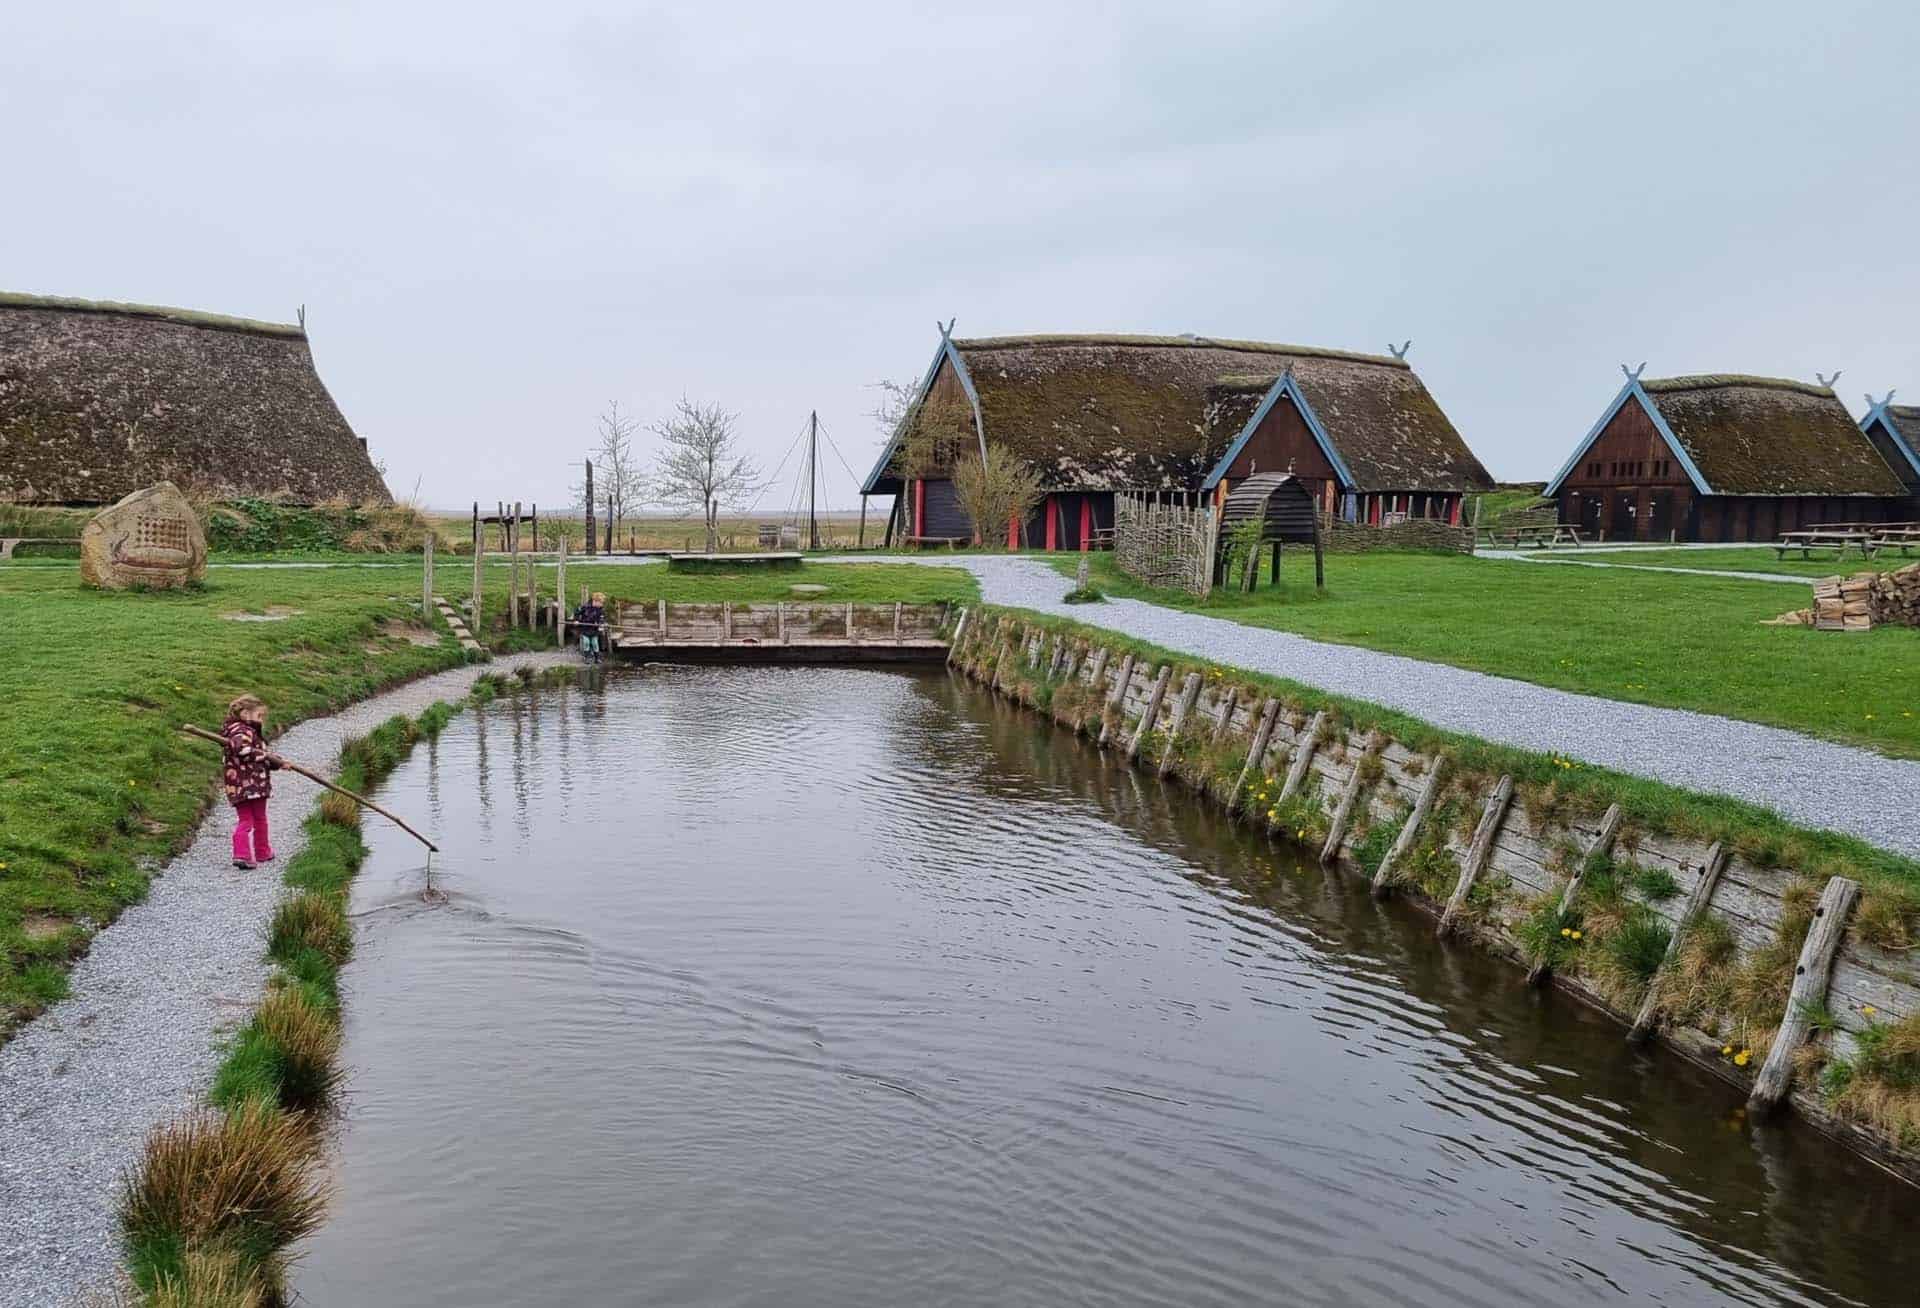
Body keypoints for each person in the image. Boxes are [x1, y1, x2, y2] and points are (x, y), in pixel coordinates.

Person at [221, 694, 282, 869]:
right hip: (250, 785)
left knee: (253, 819)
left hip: (242, 785)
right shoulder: (241, 731)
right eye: (259, 716)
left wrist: (276, 762)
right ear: (246, 714)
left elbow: (257, 758)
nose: (261, 720)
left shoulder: (240, 730)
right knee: (253, 820)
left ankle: (261, 852)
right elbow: (243, 751)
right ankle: (245, 854)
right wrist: (265, 755)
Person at [574, 592, 608, 663]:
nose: (602, 604)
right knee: (586, 643)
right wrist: (576, 620)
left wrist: (602, 624)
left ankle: (597, 658)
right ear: (595, 601)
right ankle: (587, 658)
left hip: (594, 629)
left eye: (602, 603)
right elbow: (577, 612)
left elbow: (602, 618)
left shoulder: (600, 610)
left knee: (595, 643)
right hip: (585, 628)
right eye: (601, 603)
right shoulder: (585, 606)